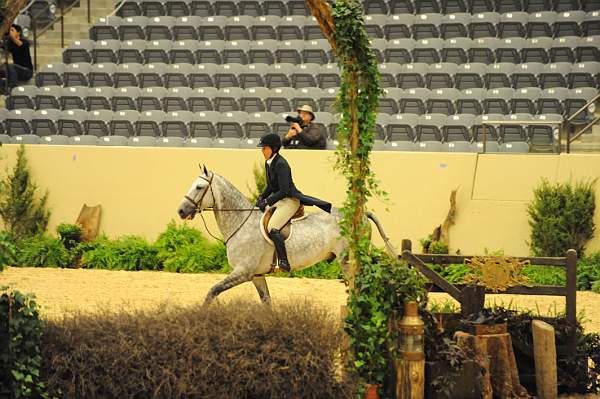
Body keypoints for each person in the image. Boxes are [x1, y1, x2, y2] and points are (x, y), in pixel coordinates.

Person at [255, 133, 332, 271]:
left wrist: (267, 200)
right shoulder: (269, 163)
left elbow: (284, 190)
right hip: (280, 200)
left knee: (273, 227)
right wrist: (261, 197)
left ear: (273, 148)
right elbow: (271, 186)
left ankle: (284, 261)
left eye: (264, 148)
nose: (262, 151)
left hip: (289, 200)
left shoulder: (281, 164)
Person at [0, 24, 34, 93]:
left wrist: (12, 37)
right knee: (3, 67)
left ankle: (13, 90)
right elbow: (2, 45)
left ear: (18, 33)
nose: (10, 32)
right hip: (15, 72)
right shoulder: (10, 44)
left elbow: (20, 44)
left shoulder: (25, 42)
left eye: (12, 30)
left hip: (27, 71)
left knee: (11, 66)